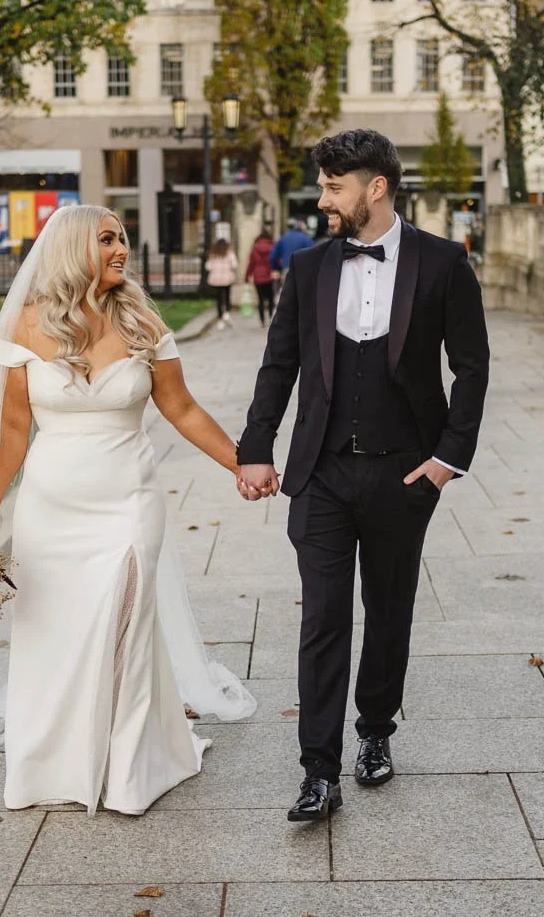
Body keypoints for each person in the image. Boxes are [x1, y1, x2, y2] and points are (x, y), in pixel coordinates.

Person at [0, 204, 256, 817]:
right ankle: (57, 761)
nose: (121, 249)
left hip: (129, 501)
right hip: (52, 509)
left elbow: (182, 409)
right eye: (107, 239)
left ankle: (130, 767)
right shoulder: (25, 327)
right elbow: (12, 434)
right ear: (72, 248)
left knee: (127, 624)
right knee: (56, 633)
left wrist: (240, 462)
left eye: (122, 239)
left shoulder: (142, 321)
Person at [235, 129, 490, 822]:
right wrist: (255, 446)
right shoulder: (312, 268)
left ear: (374, 188)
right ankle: (318, 771)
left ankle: (375, 729)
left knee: (387, 609)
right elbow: (278, 365)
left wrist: (446, 460)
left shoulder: (443, 264)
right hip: (319, 472)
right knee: (322, 617)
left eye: (332, 187)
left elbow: (472, 366)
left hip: (405, 474)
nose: (323, 200)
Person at [203, 238, 238, 327]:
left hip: (216, 279)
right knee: (227, 295)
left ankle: (220, 318)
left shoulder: (213, 254)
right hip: (227, 278)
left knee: (218, 298)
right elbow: (234, 265)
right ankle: (226, 312)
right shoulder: (229, 253)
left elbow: (208, 267)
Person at [248, 228, 276, 326]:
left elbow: (251, 263)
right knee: (271, 297)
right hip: (269, 275)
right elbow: (276, 260)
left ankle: (262, 320)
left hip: (258, 276)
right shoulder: (273, 246)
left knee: (260, 299)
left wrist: (247, 276)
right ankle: (270, 316)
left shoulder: (255, 248)